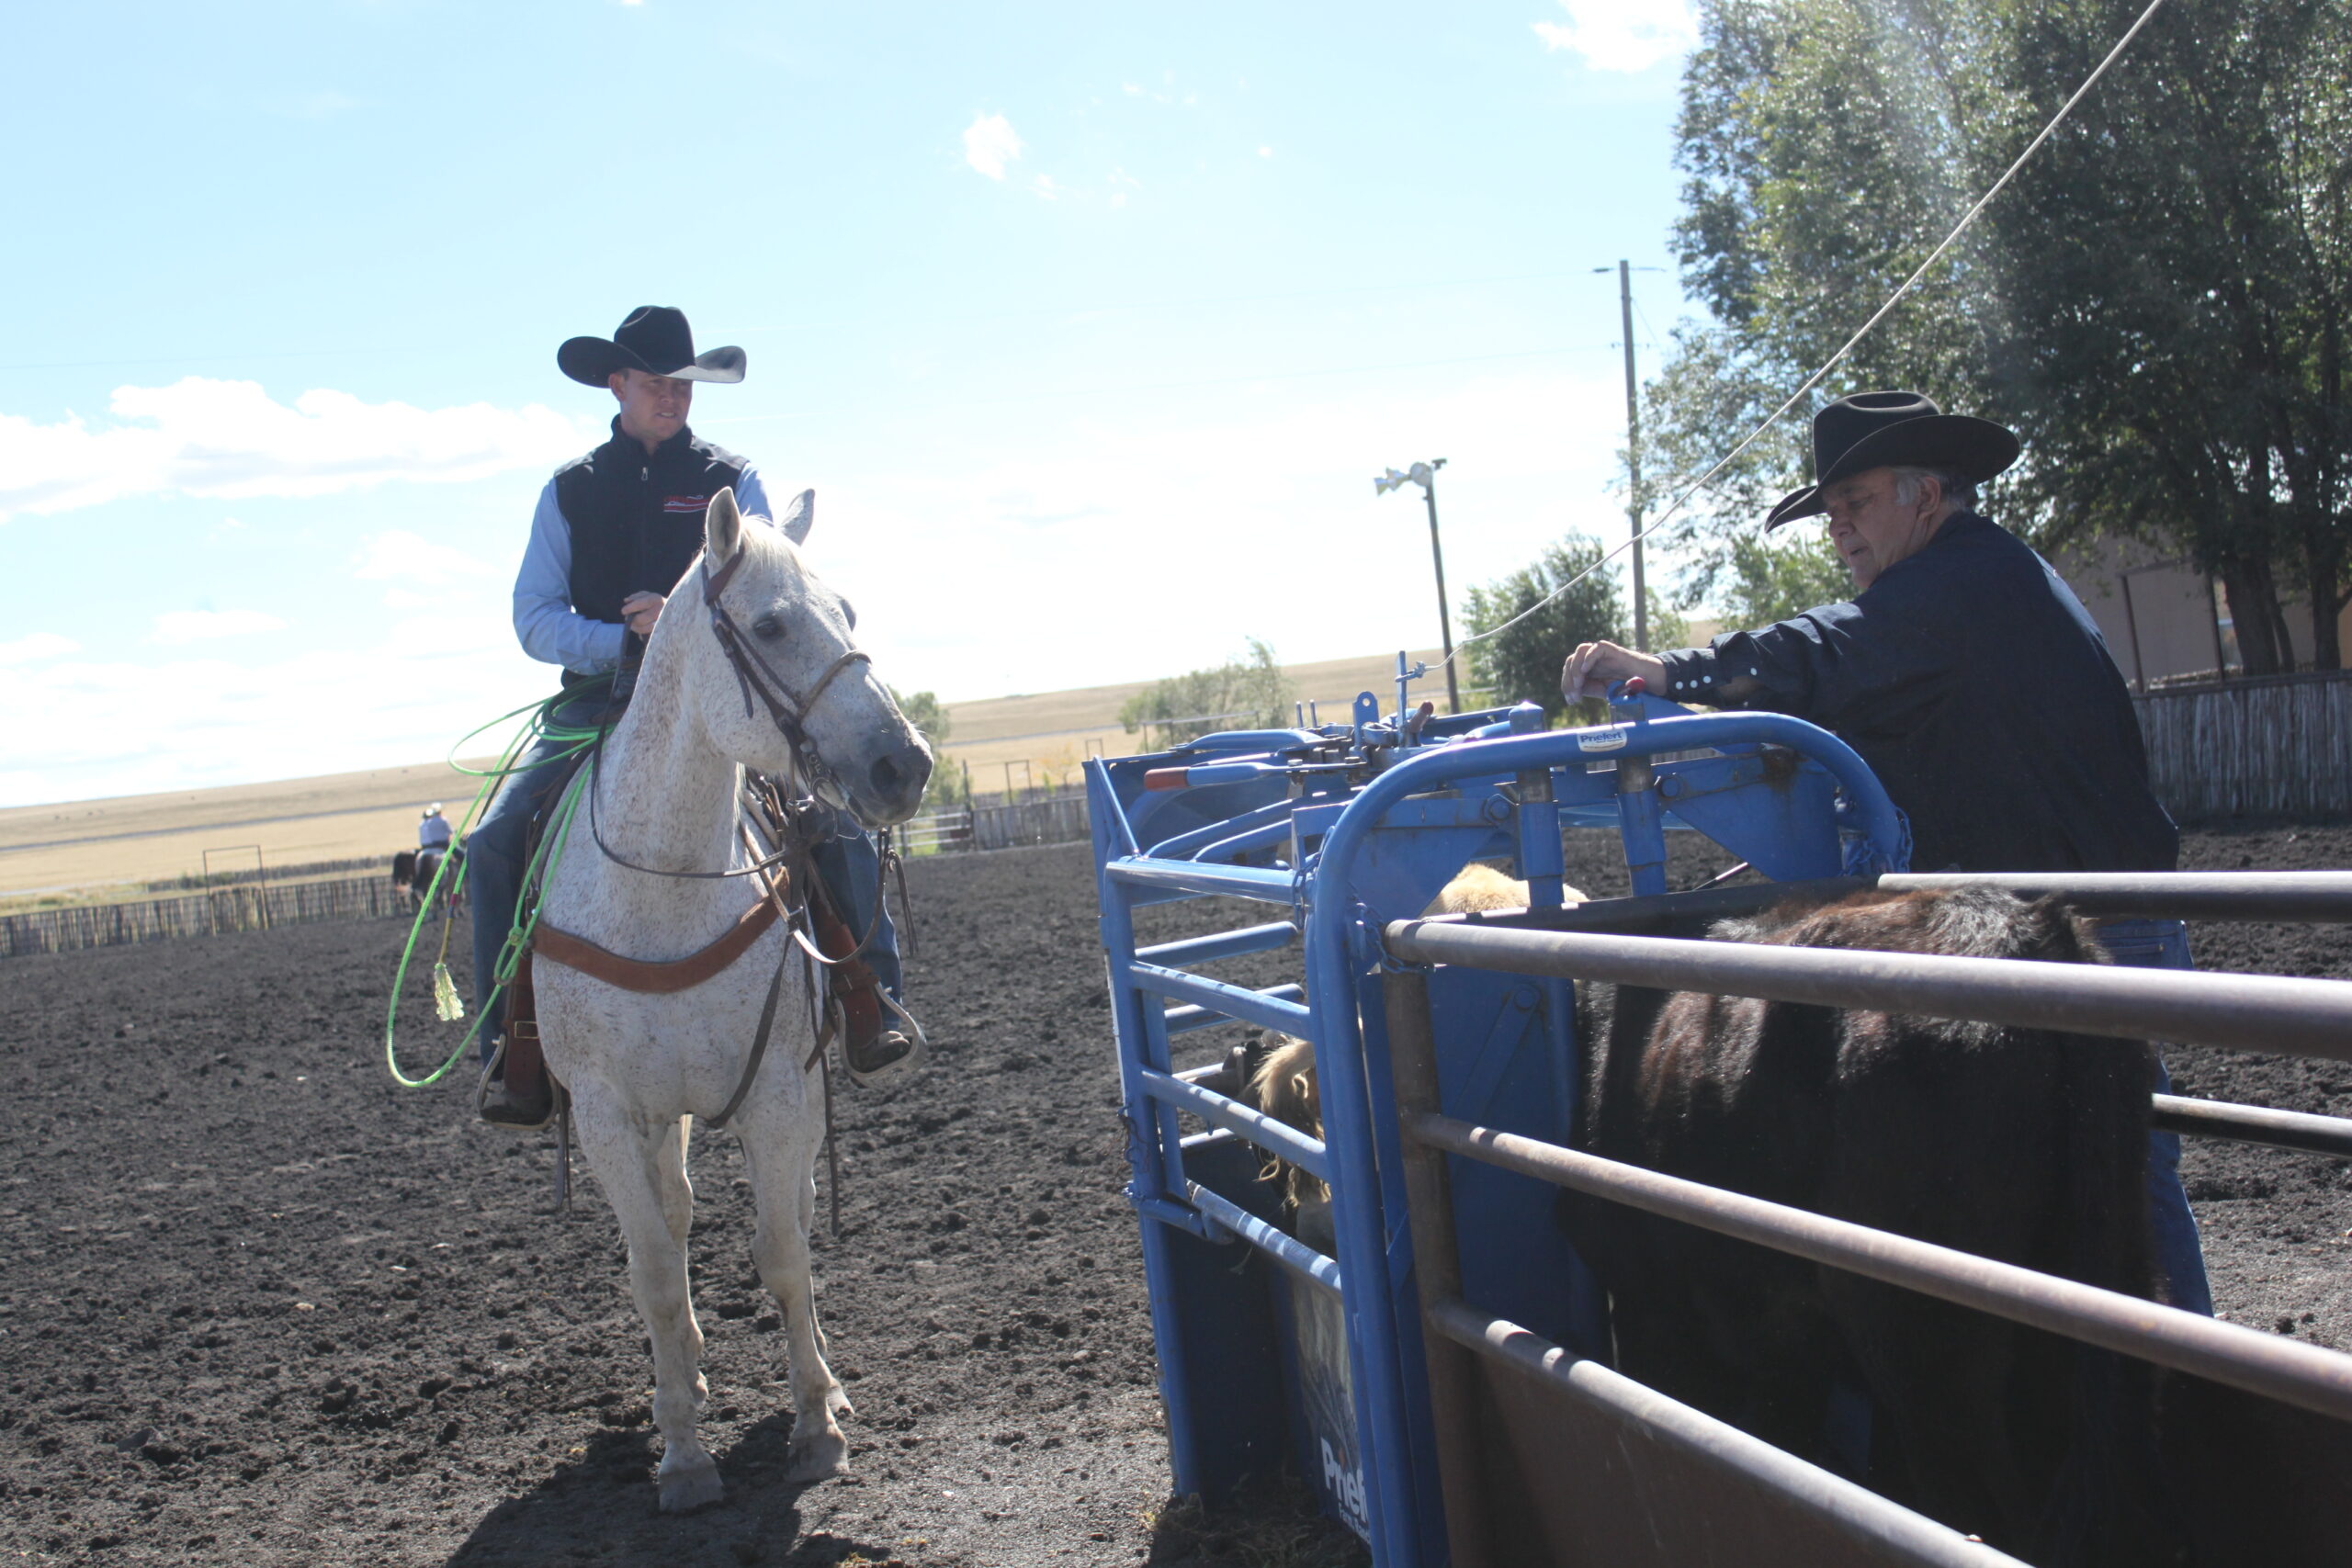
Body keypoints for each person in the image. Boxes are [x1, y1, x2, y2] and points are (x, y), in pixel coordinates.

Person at [1562, 389, 2211, 1314]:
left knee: (2115, 1182)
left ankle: (2188, 1397)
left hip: (2087, 934)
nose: (1840, 533)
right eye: (1830, 514)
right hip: (2053, 927)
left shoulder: (1958, 588)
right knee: (2092, 1184)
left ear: (1927, 494)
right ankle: (2162, 1394)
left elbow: (1825, 649)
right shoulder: (1981, 588)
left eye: (1855, 504)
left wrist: (1675, 674)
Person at [469, 305, 915, 1128]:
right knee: (494, 843)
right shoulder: (569, 492)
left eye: (682, 384)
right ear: (618, 384)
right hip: (595, 702)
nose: (671, 397)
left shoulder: (731, 478)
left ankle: (867, 995)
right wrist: (620, 636)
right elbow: (534, 618)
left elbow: (768, 575)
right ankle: (513, 1042)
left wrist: (677, 618)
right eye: (654, 383)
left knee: (832, 817)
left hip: (723, 700)